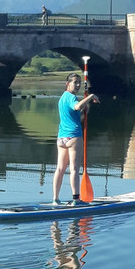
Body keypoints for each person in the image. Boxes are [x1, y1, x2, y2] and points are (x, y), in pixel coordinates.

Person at [51, 72, 98, 204]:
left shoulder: (62, 98)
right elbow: (76, 106)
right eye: (74, 82)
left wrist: (85, 111)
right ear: (67, 84)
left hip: (61, 138)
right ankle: (76, 199)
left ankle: (55, 199)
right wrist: (91, 96)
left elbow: (75, 114)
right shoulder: (71, 97)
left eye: (79, 82)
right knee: (74, 169)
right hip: (73, 137)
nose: (77, 85)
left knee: (60, 168)